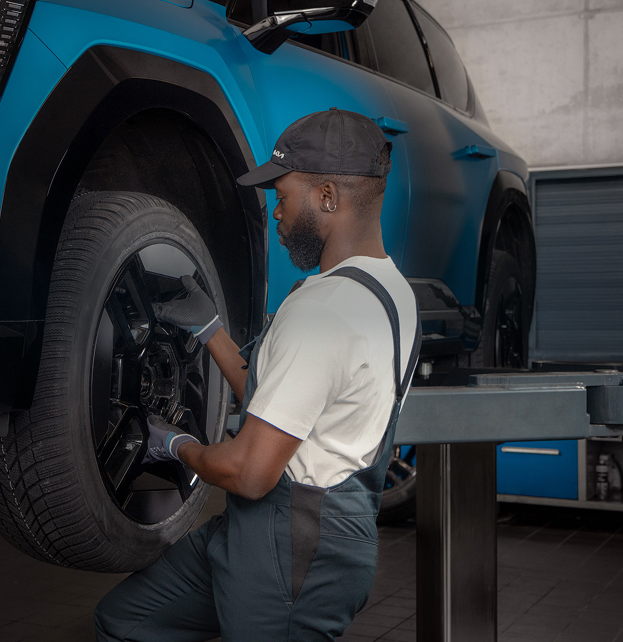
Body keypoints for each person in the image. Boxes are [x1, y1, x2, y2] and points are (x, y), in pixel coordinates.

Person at [94, 108, 421, 641]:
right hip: (281, 533)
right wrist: (212, 334)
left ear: (329, 198)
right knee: (128, 619)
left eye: (283, 197)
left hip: (295, 551)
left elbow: (250, 471)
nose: (276, 213)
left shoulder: (325, 310)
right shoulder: (393, 294)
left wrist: (174, 446)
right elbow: (289, 408)